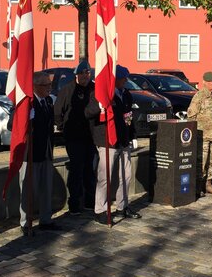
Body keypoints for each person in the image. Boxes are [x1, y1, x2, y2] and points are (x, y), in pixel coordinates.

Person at [85, 65, 142, 225]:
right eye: (122, 78)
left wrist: (132, 135)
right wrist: (99, 106)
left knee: (126, 175)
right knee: (105, 177)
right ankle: (100, 210)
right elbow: (88, 113)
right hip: (106, 140)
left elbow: (128, 115)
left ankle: (122, 206)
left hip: (123, 140)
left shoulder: (126, 94)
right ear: (114, 80)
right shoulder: (100, 95)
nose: (125, 81)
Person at [19, 71, 60, 235]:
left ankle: (45, 219)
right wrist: (25, 120)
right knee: (28, 190)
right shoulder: (27, 103)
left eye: (50, 84)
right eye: (46, 85)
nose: (49, 88)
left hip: (46, 151)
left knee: (46, 188)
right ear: (35, 86)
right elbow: (12, 126)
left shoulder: (48, 101)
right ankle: (25, 222)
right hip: (30, 154)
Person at [54, 60, 96, 215]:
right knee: (76, 170)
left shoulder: (94, 88)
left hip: (90, 136)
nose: (85, 76)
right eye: (81, 73)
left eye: (87, 73)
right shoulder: (67, 90)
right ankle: (75, 203)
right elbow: (58, 111)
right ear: (76, 75)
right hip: (74, 137)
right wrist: (63, 127)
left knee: (89, 170)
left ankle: (90, 201)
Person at [187, 71, 212, 195]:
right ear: (205, 82)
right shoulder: (199, 96)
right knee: (201, 161)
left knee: (211, 161)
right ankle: (197, 186)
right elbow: (191, 115)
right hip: (202, 135)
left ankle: (208, 183)